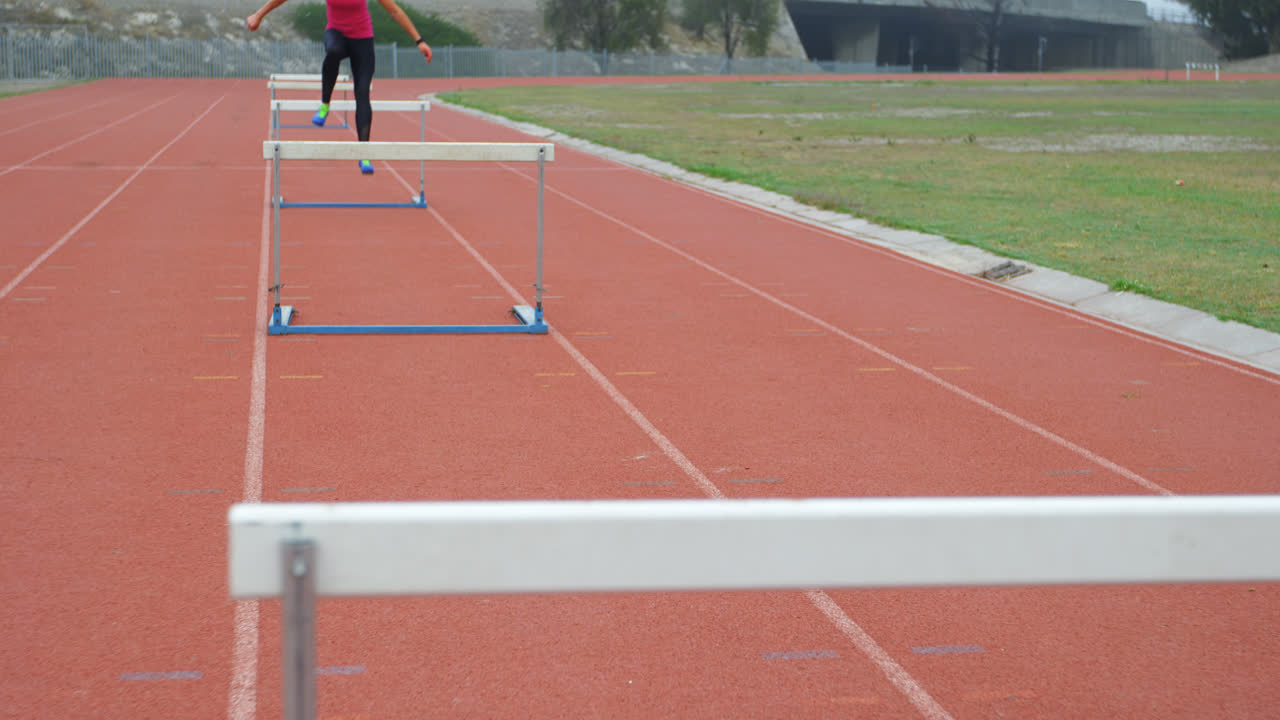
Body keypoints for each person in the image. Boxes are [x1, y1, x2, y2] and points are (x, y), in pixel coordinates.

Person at [247, 0, 433, 174]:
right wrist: (259, 15)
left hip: (362, 41)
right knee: (334, 50)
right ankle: (325, 105)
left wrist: (419, 41)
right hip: (336, 34)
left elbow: (394, 10)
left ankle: (364, 154)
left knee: (362, 93)